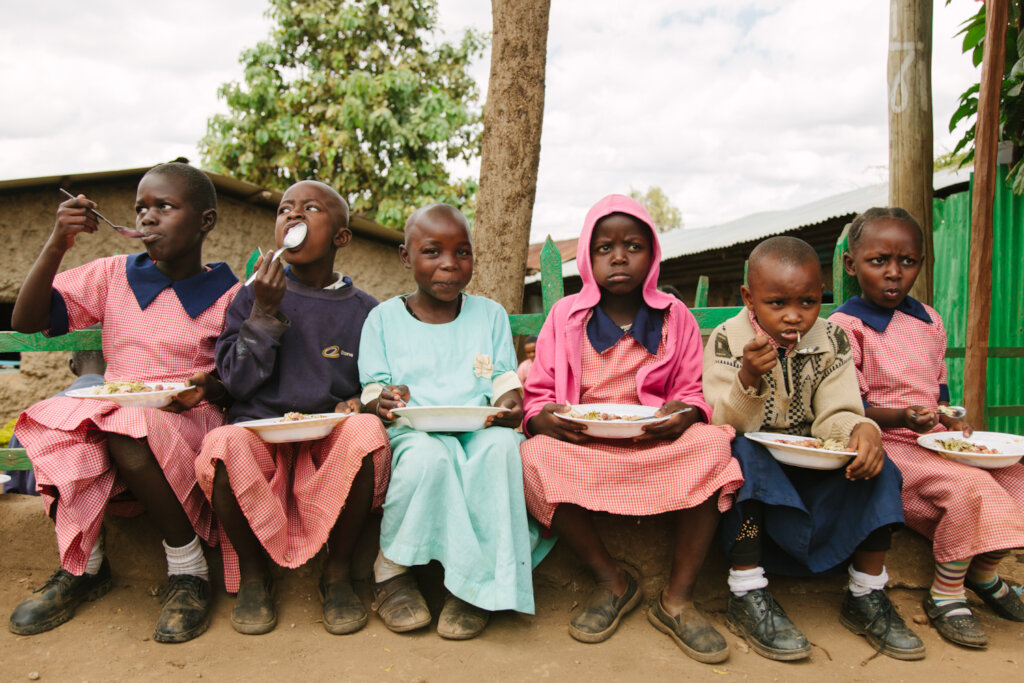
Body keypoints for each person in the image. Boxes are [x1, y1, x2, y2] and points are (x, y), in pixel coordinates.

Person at [8, 162, 239, 643]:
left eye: (165, 206)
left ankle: (188, 569)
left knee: (125, 430)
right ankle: (84, 567)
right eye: (141, 208)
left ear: (206, 221)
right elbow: (28, 320)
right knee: (54, 429)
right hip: (115, 407)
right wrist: (58, 243)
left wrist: (208, 386)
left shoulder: (231, 294)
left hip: (187, 415)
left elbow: (237, 379)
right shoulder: (114, 275)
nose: (149, 217)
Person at [520, 194, 742, 664]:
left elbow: (693, 393)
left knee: (712, 447)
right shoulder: (566, 318)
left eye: (633, 246)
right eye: (604, 248)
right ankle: (612, 580)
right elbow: (538, 395)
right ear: (586, 256)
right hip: (586, 444)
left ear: (653, 254)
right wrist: (544, 419)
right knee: (534, 455)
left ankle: (678, 598)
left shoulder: (674, 317)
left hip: (655, 443)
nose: (618, 257)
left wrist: (685, 415)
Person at [703, 235, 923, 662]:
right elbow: (722, 422)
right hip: (760, 477)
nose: (794, 316)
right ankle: (746, 588)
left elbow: (837, 413)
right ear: (750, 297)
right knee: (738, 457)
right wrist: (748, 379)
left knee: (880, 467)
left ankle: (866, 591)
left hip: (814, 465)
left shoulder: (833, 340)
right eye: (778, 303)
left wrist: (862, 428)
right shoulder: (730, 340)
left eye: (807, 302)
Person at [195, 180, 390, 636]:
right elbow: (237, 381)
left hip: (326, 444)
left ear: (341, 237)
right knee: (222, 443)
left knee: (366, 432)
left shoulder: (365, 310)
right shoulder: (250, 296)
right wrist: (264, 311)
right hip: (259, 437)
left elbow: (375, 383)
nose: (293, 216)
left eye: (310, 209)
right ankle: (254, 578)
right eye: (285, 209)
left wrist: (359, 402)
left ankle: (338, 575)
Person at [831, 207, 1024, 648]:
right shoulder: (846, 326)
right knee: (971, 490)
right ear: (851, 264)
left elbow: (938, 389)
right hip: (888, 444)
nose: (894, 274)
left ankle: (983, 571)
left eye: (908, 262)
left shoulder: (929, 320)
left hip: (935, 440)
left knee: (1018, 479)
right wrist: (901, 417)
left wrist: (950, 415)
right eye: (879, 261)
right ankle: (946, 592)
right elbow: (847, 405)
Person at [358, 203, 552, 640]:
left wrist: (509, 401)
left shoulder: (489, 315)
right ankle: (393, 571)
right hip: (413, 434)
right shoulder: (383, 320)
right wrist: (382, 401)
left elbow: (503, 380)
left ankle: (479, 586)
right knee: (429, 457)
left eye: (461, 252)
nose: (449, 264)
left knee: (504, 449)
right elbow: (373, 390)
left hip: (478, 430)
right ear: (407, 258)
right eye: (433, 252)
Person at [3, 348, 105, 495]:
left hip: (41, 508)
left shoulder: (33, 417)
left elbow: (13, 487)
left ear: (72, 365)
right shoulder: (129, 414)